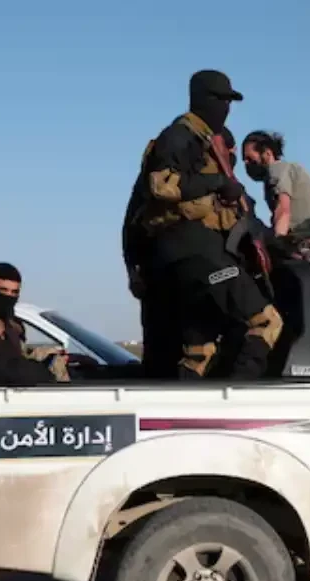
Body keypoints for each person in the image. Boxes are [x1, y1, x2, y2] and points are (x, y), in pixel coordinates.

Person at [122, 70, 283, 380]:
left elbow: (247, 220)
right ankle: (238, 398)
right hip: (193, 251)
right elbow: (161, 185)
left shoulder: (206, 146)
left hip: (192, 258)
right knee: (266, 322)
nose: (226, 109)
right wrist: (219, 181)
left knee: (199, 351)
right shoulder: (179, 136)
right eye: (222, 100)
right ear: (203, 99)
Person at [241, 131, 310, 241]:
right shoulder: (291, 168)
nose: (246, 164)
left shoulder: (276, 169)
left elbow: (283, 210)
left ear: (267, 154)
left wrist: (278, 244)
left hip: (299, 239)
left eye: (250, 158)